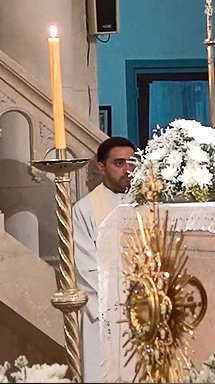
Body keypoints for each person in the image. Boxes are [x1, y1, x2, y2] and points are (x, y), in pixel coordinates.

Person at [72, 136, 137, 383]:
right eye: (119, 163)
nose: (128, 170)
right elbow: (85, 265)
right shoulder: (85, 209)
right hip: (105, 310)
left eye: (132, 162)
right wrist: (119, 301)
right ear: (101, 167)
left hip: (145, 307)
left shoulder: (148, 202)